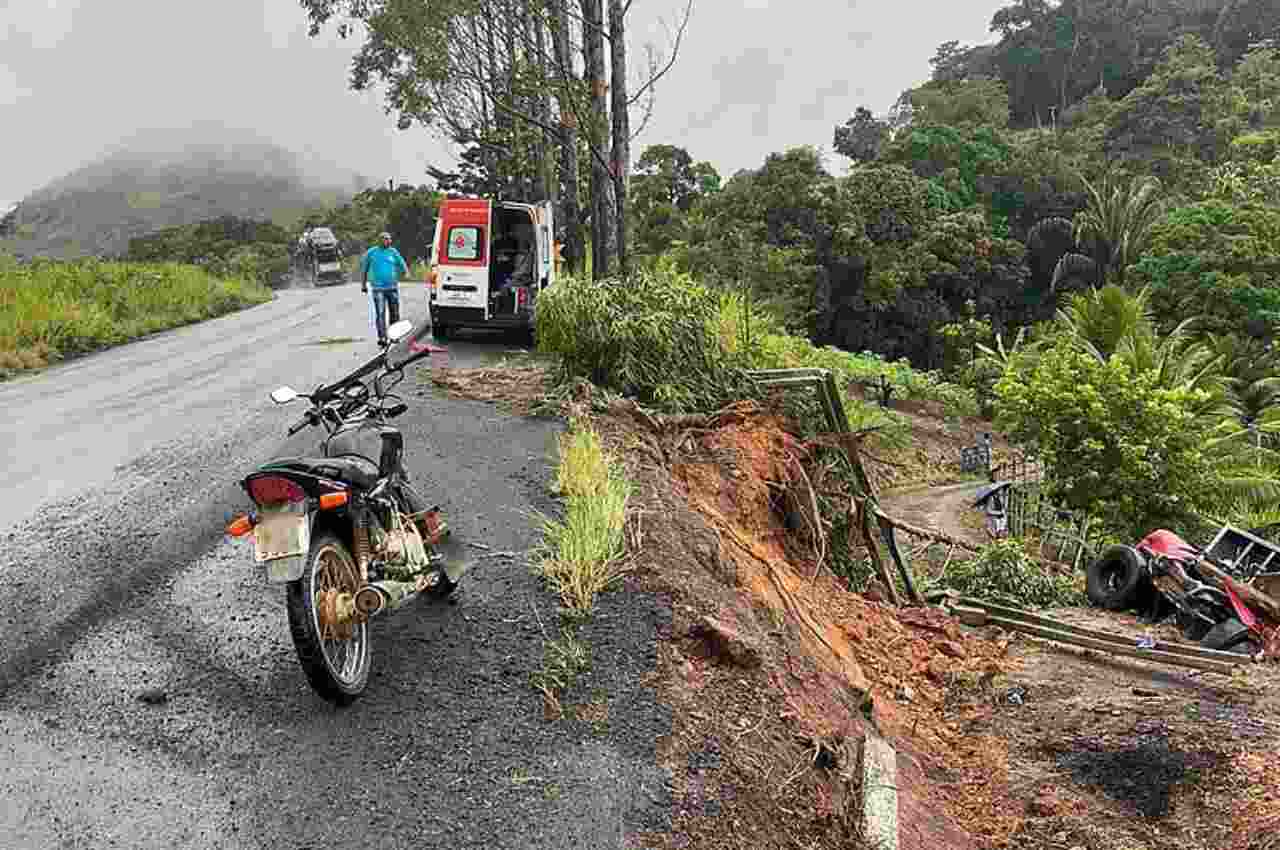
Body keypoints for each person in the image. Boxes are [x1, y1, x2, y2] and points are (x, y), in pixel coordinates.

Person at [360, 231, 409, 346]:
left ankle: (395, 336)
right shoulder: (372, 252)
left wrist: (406, 272)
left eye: (389, 239)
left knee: (395, 313)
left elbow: (401, 263)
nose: (388, 241)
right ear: (380, 240)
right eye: (385, 239)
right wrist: (363, 284)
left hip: (392, 287)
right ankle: (382, 337)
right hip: (378, 288)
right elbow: (364, 269)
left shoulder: (393, 252)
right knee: (380, 313)